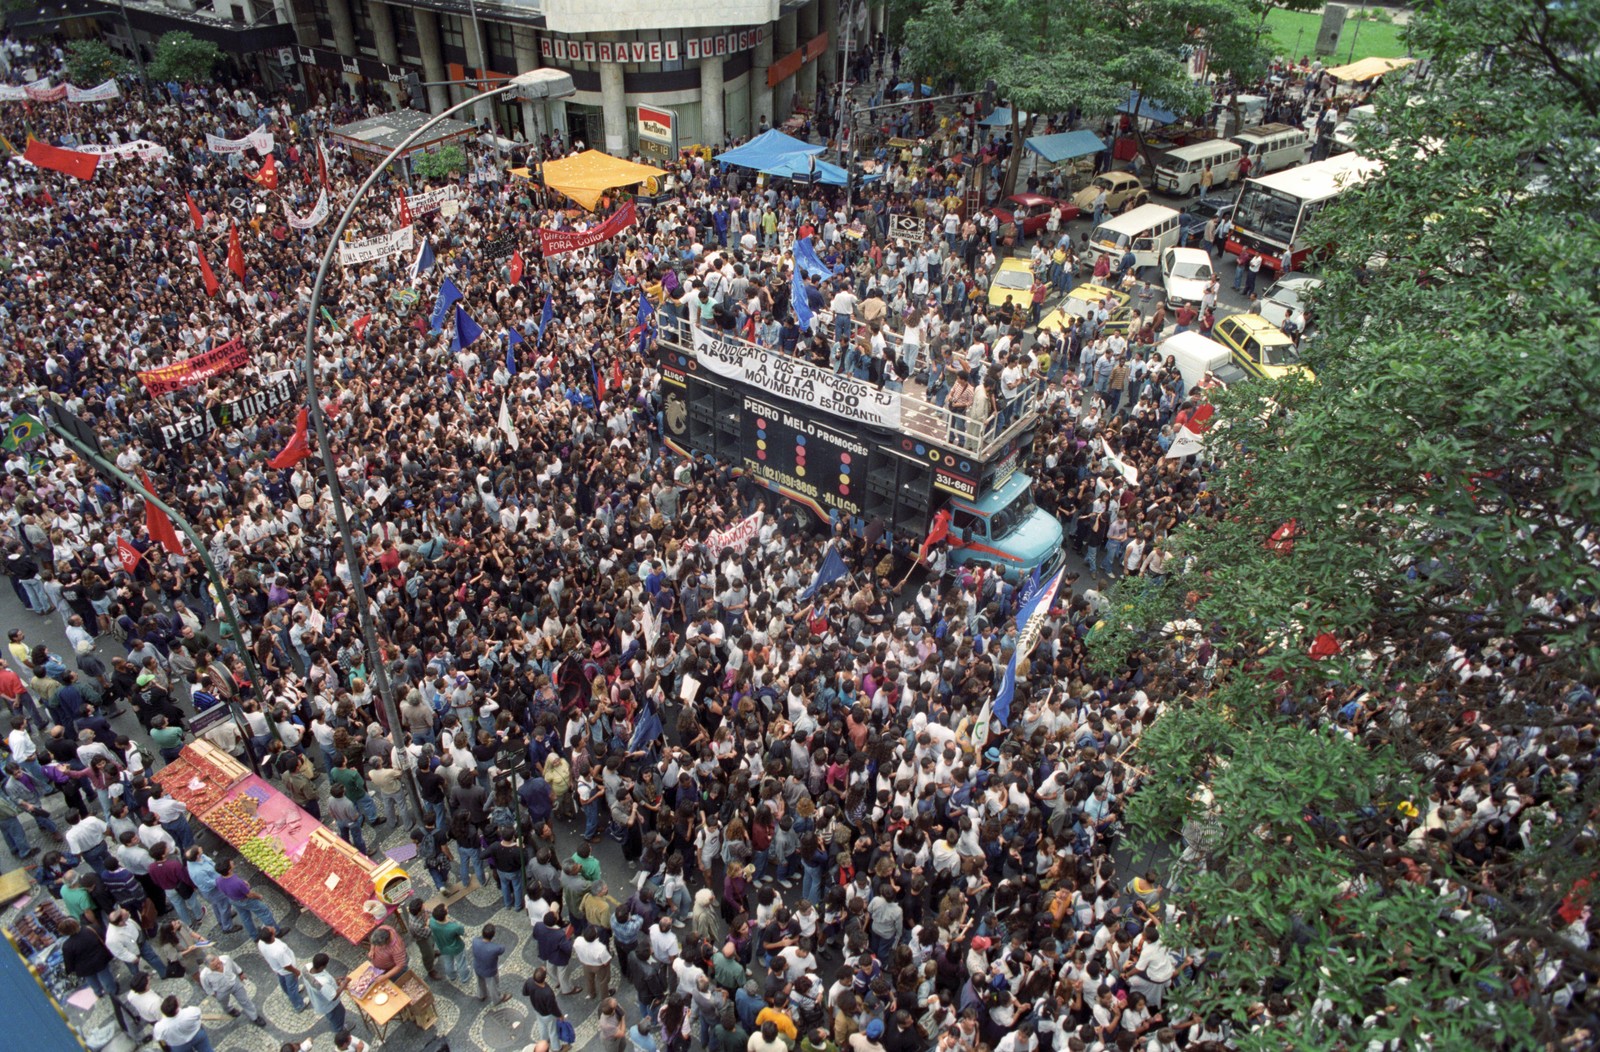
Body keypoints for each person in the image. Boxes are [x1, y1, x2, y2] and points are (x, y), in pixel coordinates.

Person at [198, 954, 267, 1027]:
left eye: (219, 963)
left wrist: (240, 974)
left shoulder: (226, 959)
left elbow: (234, 966)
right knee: (224, 1003)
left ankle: (255, 1017)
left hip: (235, 983)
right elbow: (206, 987)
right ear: (208, 966)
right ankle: (229, 1009)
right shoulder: (204, 975)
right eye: (215, 966)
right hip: (221, 991)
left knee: (245, 1000)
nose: (218, 966)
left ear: (218, 958)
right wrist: (213, 994)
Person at [256, 926, 309, 1013]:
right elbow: (286, 965)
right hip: (287, 971)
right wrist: (296, 971)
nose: (272, 927)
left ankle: (290, 992)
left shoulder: (261, 942)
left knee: (283, 982)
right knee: (292, 986)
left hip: (276, 968)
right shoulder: (278, 951)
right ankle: (299, 1005)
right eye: (270, 929)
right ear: (271, 935)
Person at [523, 965, 569, 1049]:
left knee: (541, 1025)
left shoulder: (529, 982)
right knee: (553, 1031)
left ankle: (544, 1040)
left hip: (537, 1010)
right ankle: (557, 1048)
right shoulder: (548, 993)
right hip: (548, 1015)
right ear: (545, 978)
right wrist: (560, 1016)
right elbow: (553, 1008)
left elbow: (524, 992)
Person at [304, 952, 349, 1034]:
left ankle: (338, 1026)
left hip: (318, 999)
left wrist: (334, 980)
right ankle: (340, 1031)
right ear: (321, 967)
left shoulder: (307, 967)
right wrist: (344, 984)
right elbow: (333, 996)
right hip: (329, 1005)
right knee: (338, 1015)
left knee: (333, 1016)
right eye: (326, 965)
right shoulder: (322, 983)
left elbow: (326, 982)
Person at [430, 902, 471, 984]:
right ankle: (465, 977)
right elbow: (463, 932)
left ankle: (452, 976)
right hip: (456, 948)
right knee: (461, 962)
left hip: (442, 946)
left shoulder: (432, 922)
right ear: (445, 914)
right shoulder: (454, 927)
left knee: (448, 962)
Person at [471, 923, 510, 1004]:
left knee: (480, 982)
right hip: (490, 971)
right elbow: (502, 949)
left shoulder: (475, 941)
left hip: (477, 967)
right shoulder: (496, 948)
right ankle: (497, 999)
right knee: (493, 986)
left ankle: (481, 995)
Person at [574, 923, 615, 999]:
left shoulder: (578, 941)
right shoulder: (600, 948)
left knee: (589, 979)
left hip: (585, 964)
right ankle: (604, 997)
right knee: (603, 981)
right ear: (596, 936)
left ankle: (591, 994)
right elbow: (606, 962)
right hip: (599, 966)